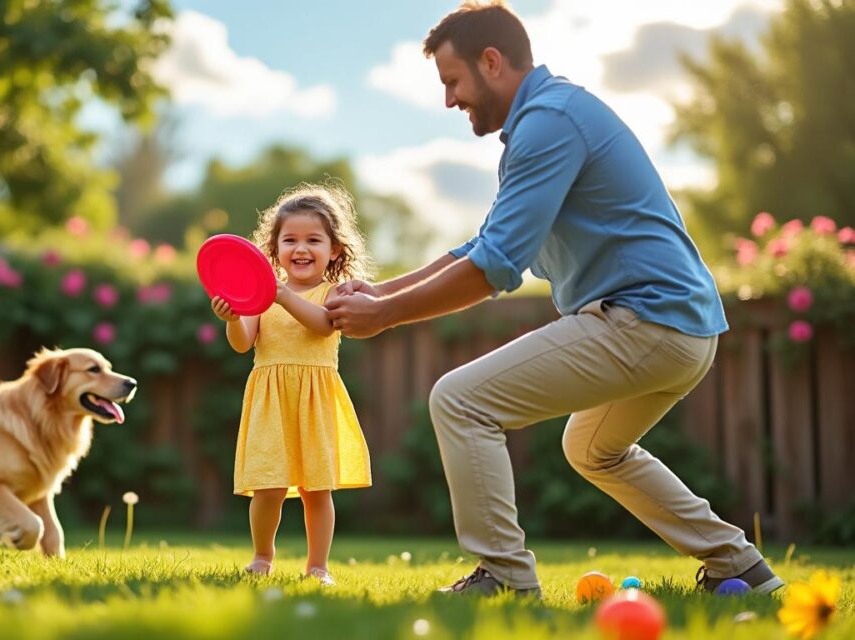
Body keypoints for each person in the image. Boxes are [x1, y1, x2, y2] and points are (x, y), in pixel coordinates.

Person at [325, 1, 783, 598]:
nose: (449, 100)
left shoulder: (550, 123)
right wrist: (381, 289)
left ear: (492, 62)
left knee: (461, 402)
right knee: (592, 448)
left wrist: (384, 315)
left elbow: (492, 267)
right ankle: (739, 565)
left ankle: (505, 580)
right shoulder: (547, 120)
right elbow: (483, 243)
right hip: (684, 329)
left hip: (645, 319)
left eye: (453, 81)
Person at [210, 183, 374, 587]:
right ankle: (262, 557)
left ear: (334, 249)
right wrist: (232, 317)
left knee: (317, 490)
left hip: (314, 399)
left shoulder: (334, 292)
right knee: (267, 486)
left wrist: (281, 294)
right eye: (290, 240)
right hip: (271, 399)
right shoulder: (260, 296)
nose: (301, 249)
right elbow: (243, 342)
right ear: (274, 248)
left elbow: (322, 327)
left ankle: (318, 567)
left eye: (313, 240)